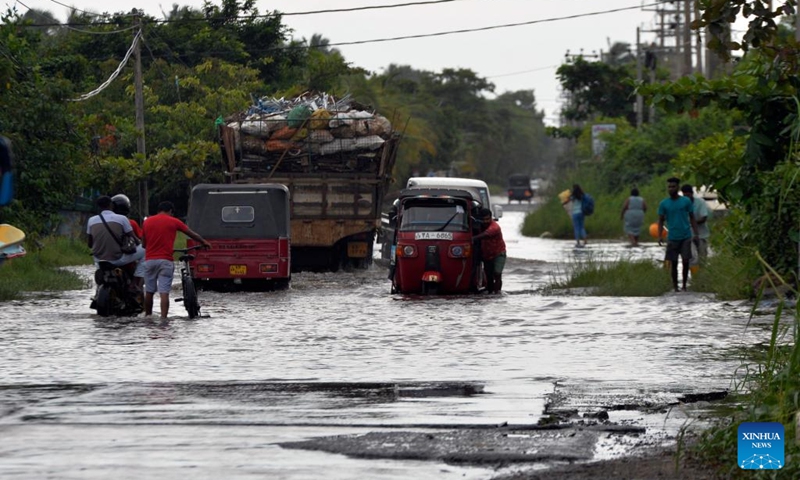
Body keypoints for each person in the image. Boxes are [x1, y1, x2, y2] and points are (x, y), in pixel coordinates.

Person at [142, 200, 212, 319]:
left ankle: (147, 316)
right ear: (170, 211)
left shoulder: (147, 222)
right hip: (166, 261)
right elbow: (191, 234)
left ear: (158, 210)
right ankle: (164, 318)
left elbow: (144, 244)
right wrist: (203, 242)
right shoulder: (174, 221)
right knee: (164, 293)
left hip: (150, 261)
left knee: (149, 291)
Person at [657, 178, 700, 292]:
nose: (671, 189)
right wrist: (660, 236)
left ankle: (684, 285)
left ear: (678, 188)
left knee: (686, 261)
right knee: (674, 263)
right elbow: (661, 220)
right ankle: (675, 287)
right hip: (672, 237)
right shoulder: (664, 204)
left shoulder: (686, 201)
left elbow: (692, 217)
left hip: (685, 236)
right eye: (669, 187)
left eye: (673, 186)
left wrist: (696, 234)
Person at [86, 195, 145, 269]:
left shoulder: (91, 220)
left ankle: (99, 271)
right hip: (117, 258)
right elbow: (135, 239)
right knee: (145, 250)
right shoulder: (123, 219)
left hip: (98, 259)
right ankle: (137, 278)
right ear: (111, 205)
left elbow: (90, 244)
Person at [111, 194, 145, 289]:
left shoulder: (106, 223)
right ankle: (135, 284)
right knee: (145, 250)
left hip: (106, 259)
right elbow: (140, 239)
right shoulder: (131, 223)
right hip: (126, 260)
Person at [472, 207, 506, 294]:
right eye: (484, 219)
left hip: (499, 253)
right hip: (487, 255)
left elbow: (485, 234)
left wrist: (472, 238)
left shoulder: (495, 227)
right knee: (489, 276)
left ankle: (497, 293)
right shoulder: (479, 226)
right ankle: (491, 293)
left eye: (488, 219)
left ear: (491, 218)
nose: (486, 221)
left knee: (497, 274)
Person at [680, 184, 711, 263]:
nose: (687, 197)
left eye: (688, 195)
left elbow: (704, 217)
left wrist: (692, 222)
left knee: (703, 257)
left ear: (692, 194)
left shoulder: (700, 202)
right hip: (688, 235)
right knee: (692, 257)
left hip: (701, 234)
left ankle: (702, 274)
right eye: (685, 195)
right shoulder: (681, 204)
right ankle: (693, 274)